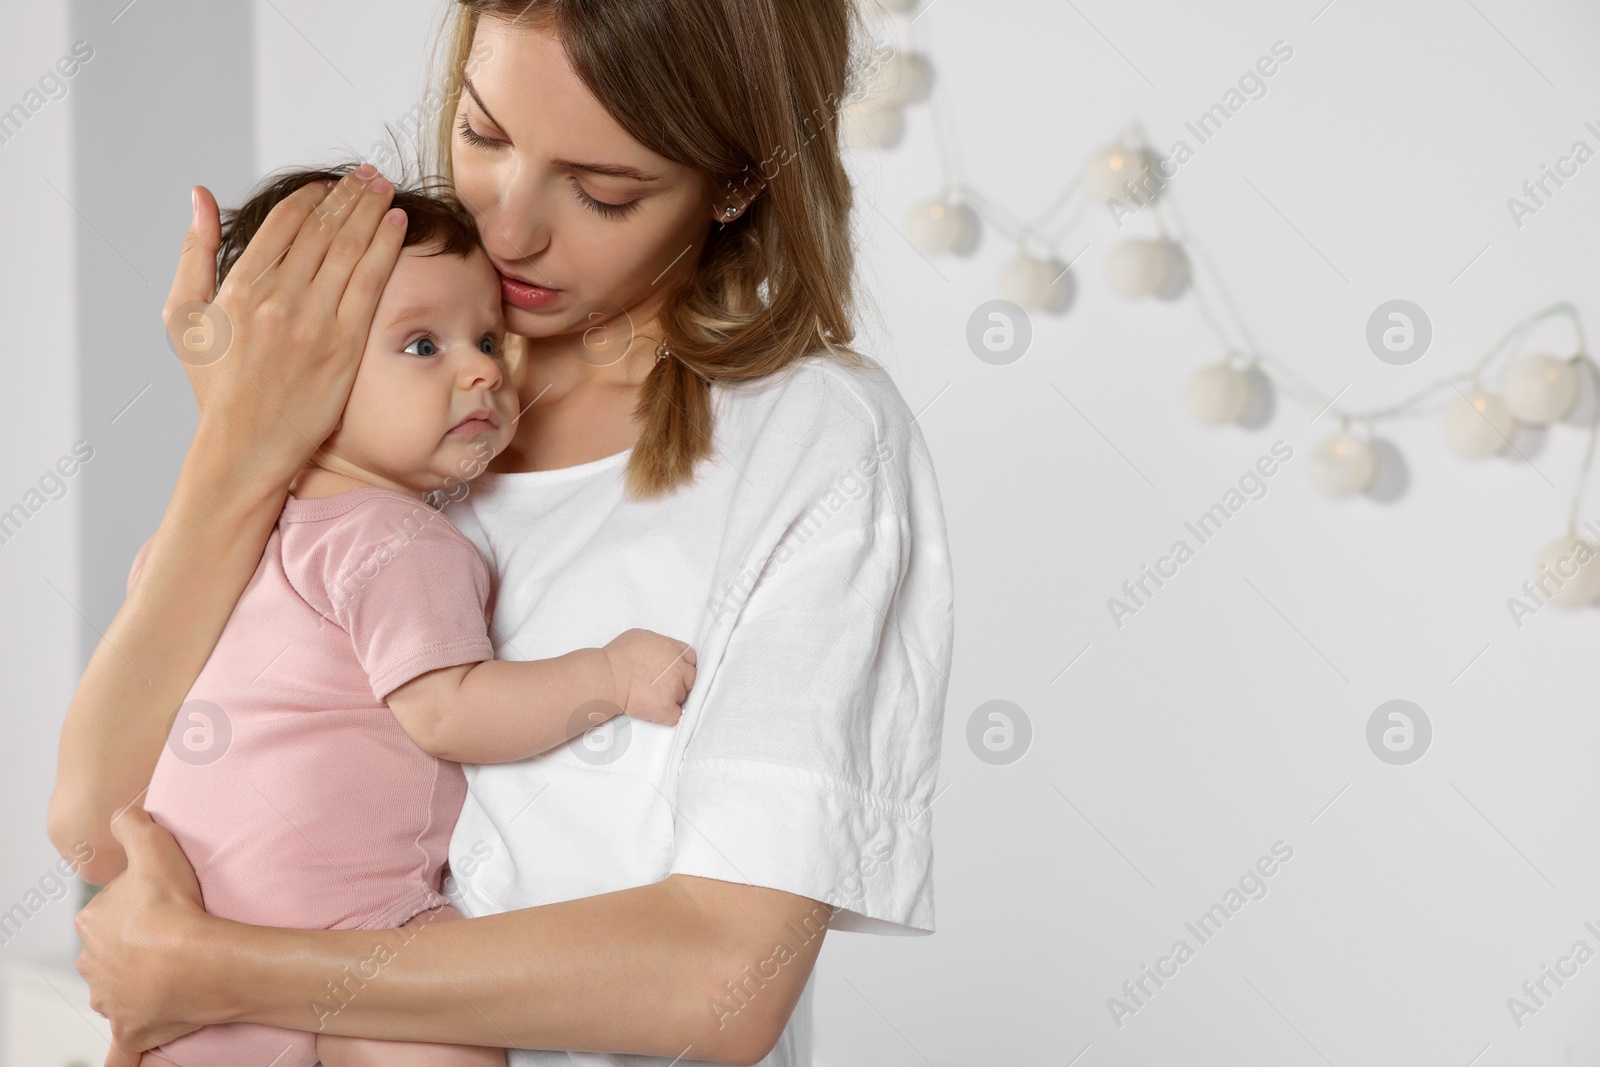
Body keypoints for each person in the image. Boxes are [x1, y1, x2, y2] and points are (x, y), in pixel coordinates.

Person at [50, 2, 955, 1064]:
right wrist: (239, 451)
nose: (508, 228)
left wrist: (216, 968)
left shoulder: (813, 441)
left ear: (735, 181)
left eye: (600, 188)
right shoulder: (364, 398)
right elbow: (93, 823)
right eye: (482, 135)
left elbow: (720, 982)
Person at [95, 165, 696, 1067]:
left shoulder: (203, 546)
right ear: (302, 374)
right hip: (355, 936)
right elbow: (450, 708)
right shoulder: (393, 538)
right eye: (423, 346)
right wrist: (605, 677)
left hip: (192, 946)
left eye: (489, 338)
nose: (483, 369)